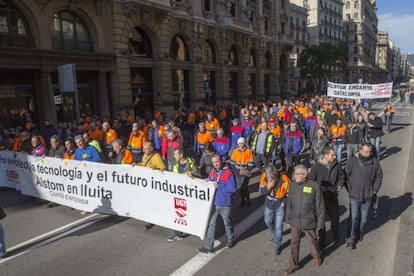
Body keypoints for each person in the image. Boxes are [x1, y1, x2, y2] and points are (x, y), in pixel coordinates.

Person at [285, 164, 325, 274]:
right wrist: (287, 219)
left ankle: (316, 255)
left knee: (312, 241)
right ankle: (293, 264)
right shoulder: (292, 185)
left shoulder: (314, 186)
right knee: (294, 243)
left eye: (297, 174)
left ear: (305, 175)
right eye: (294, 174)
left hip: (309, 219)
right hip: (295, 220)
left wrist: (320, 223)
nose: (294, 176)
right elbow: (289, 204)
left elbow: (320, 206)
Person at [344, 143, 383, 249]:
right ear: (360, 150)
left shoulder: (374, 162)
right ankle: (350, 239)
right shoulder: (352, 161)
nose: (368, 153)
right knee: (354, 217)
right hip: (355, 195)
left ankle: (359, 231)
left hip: (368, 195)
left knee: (364, 219)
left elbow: (379, 176)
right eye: (366, 151)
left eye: (370, 152)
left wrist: (374, 190)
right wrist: (350, 189)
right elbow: (345, 175)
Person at [198, 153, 238, 253]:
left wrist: (219, 186)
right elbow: (212, 181)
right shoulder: (213, 172)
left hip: (225, 203)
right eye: (213, 162)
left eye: (217, 162)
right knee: (212, 224)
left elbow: (233, 188)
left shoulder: (228, 172)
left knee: (227, 223)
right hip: (214, 202)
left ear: (221, 161)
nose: (215, 164)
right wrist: (208, 180)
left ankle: (230, 239)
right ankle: (208, 247)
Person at [308, 146, 344, 251]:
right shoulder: (316, 167)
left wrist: (340, 185)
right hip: (320, 198)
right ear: (325, 155)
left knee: (335, 219)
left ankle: (335, 234)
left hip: (332, 196)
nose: (335, 157)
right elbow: (310, 181)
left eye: (335, 155)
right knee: (321, 221)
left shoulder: (337, 165)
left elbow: (341, 177)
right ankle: (322, 241)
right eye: (332, 155)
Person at [167, 147, 199, 242]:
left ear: (181, 155)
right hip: (179, 192)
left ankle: (196, 228)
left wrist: (193, 176)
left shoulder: (191, 163)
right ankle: (178, 233)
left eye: (176, 154)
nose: (174, 156)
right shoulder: (175, 165)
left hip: (190, 194)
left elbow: (199, 176)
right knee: (178, 212)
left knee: (190, 213)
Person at [259, 165, 291, 256]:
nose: (272, 181)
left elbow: (289, 193)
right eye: (270, 179)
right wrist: (268, 187)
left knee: (279, 227)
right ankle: (273, 232)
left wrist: (284, 201)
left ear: (277, 176)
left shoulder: (284, 179)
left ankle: (277, 245)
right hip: (269, 204)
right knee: (267, 221)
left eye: (273, 179)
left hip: (280, 205)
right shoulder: (264, 177)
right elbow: (261, 192)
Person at [138, 141, 166, 230]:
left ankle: (151, 220)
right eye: (143, 148)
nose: (144, 150)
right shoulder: (145, 155)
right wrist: (137, 165)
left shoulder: (156, 157)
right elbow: (143, 165)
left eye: (145, 149)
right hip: (147, 183)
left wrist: (156, 169)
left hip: (154, 184)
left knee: (153, 202)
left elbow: (163, 168)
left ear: (151, 149)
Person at [229, 137, 254, 207]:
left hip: (245, 173)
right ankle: (243, 200)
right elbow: (232, 162)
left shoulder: (248, 151)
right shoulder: (235, 151)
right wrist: (235, 170)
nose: (241, 145)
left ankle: (248, 200)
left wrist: (247, 169)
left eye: (242, 143)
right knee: (240, 187)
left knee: (244, 187)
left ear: (244, 143)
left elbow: (251, 162)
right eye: (239, 143)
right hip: (237, 173)